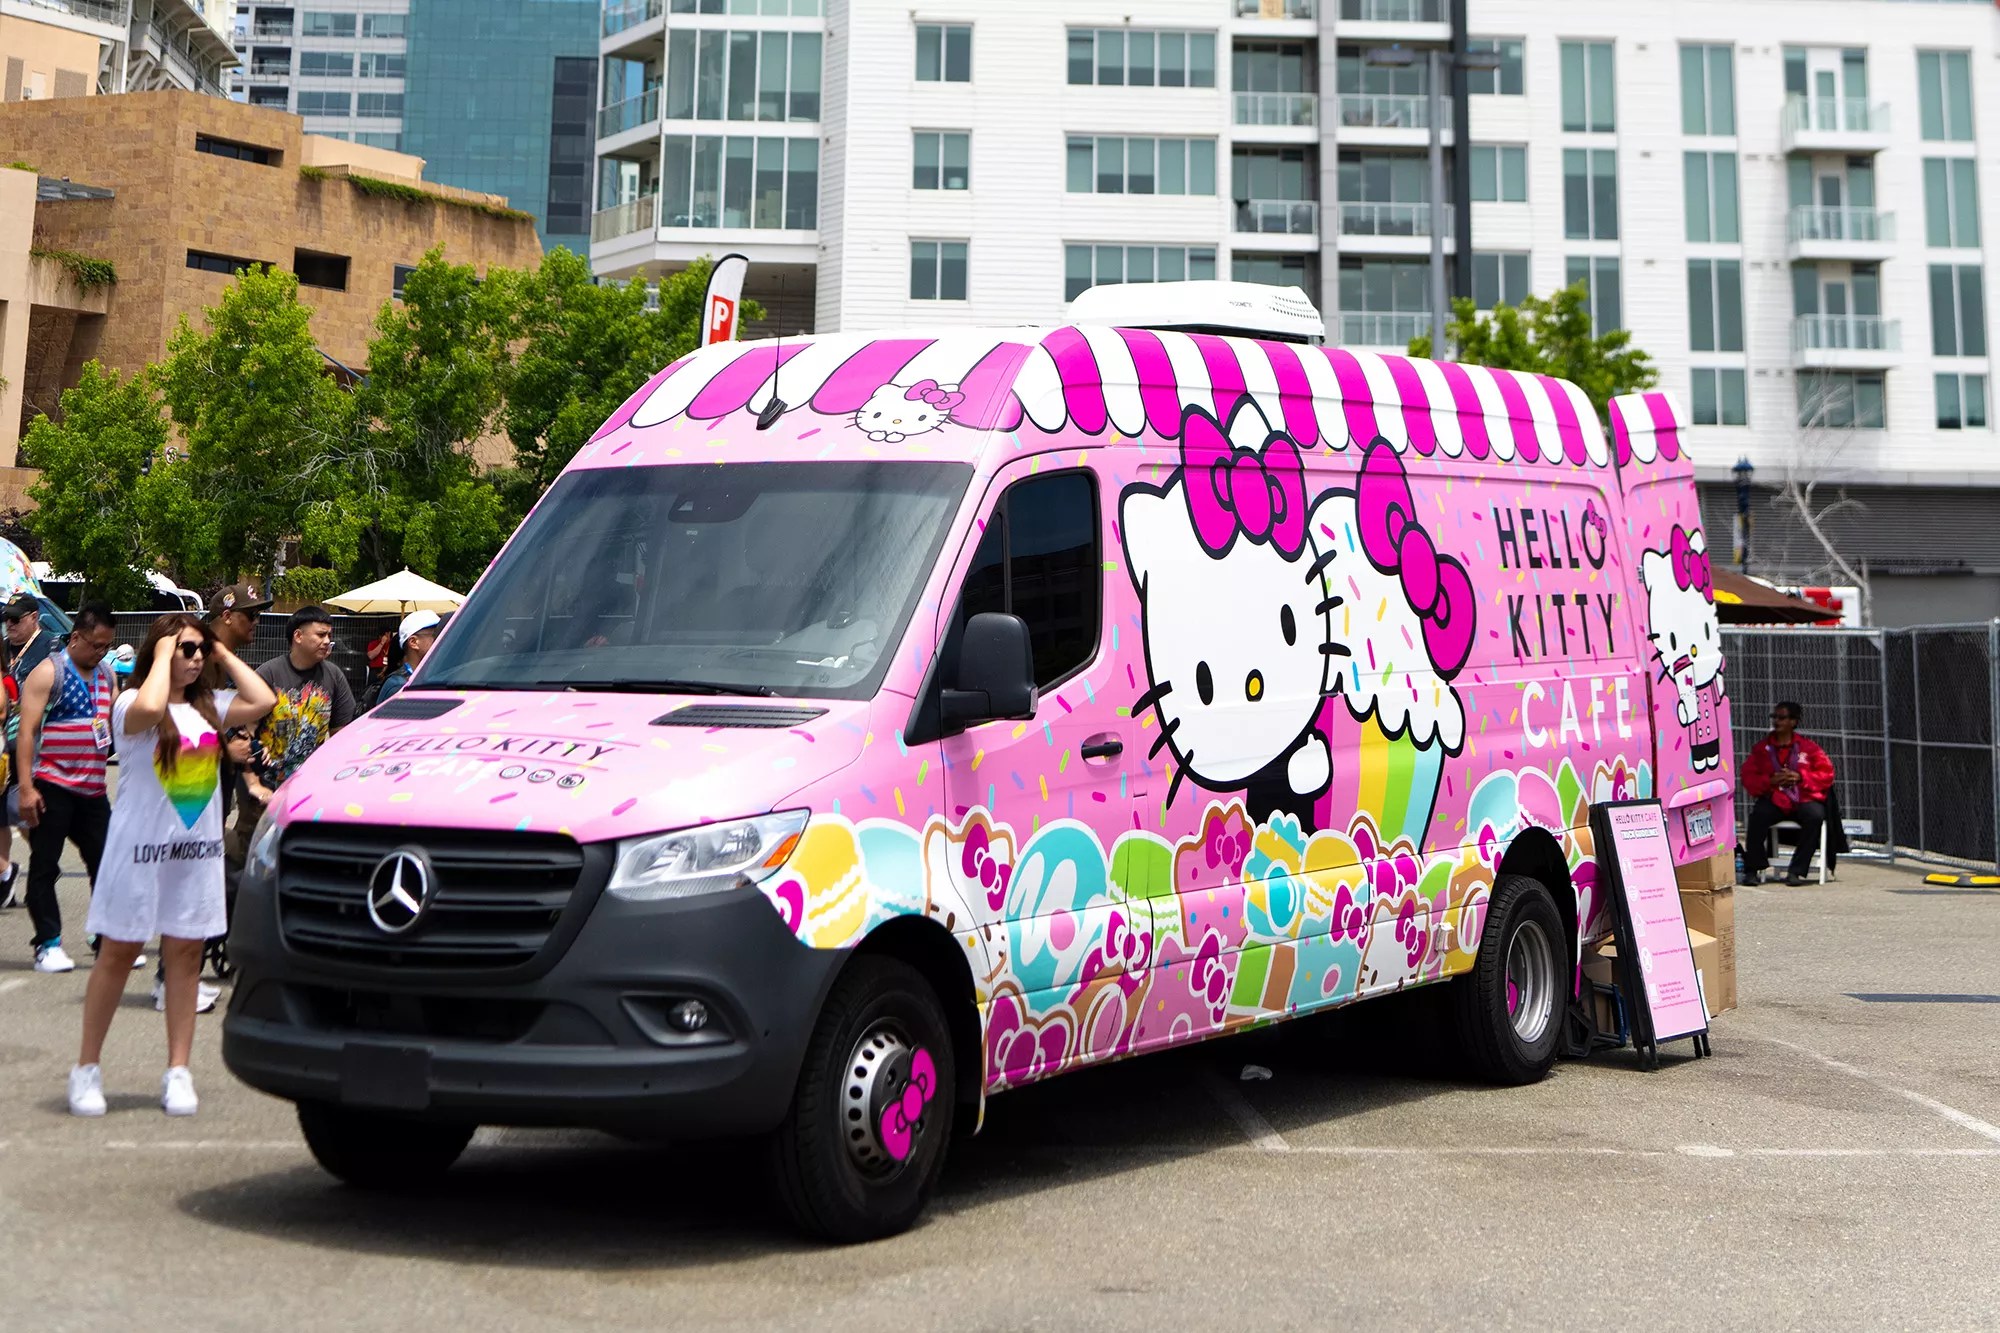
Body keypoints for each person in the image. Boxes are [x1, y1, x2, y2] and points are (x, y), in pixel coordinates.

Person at [66, 613, 274, 1117]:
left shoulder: (212, 707)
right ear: (159, 651)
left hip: (193, 857)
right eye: (187, 649)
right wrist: (164, 652)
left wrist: (220, 652)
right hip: (137, 853)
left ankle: (178, 1070)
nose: (195, 656)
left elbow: (264, 700)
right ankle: (86, 1068)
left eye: (199, 649)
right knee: (117, 954)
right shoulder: (129, 706)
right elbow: (154, 703)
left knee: (185, 957)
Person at [15, 605, 119, 973]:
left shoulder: (107, 675)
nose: (100, 652)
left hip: (92, 791)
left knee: (108, 864)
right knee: (44, 866)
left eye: (106, 646)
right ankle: (48, 942)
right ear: (75, 637)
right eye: (95, 645)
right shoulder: (48, 672)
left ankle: (105, 937)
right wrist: (26, 789)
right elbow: (27, 733)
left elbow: (110, 727)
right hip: (53, 785)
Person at [0, 593, 60, 908]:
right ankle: (5, 874)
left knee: (24, 812)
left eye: (16, 619)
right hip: (4, 741)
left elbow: (58, 691)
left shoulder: (51, 647)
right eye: (6, 619)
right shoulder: (4, 647)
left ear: (34, 617)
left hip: (35, 740)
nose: (9, 625)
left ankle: (43, 861)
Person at [254, 605, 356, 789]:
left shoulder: (334, 676)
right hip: (265, 783)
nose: (327, 641)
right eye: (320, 635)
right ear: (298, 636)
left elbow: (340, 734)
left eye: (329, 636)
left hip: (310, 785)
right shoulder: (268, 674)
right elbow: (246, 730)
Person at [1741, 699, 1837, 886]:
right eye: (1774, 717)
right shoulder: (1762, 749)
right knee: (1758, 816)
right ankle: (1753, 868)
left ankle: (1797, 871)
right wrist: (1770, 781)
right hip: (1776, 798)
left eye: (1782, 717)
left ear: (1793, 722)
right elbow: (1748, 777)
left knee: (1815, 816)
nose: (1777, 721)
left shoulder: (1809, 748)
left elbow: (1826, 774)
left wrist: (1800, 777)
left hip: (1802, 798)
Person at [373, 610, 440, 706]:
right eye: (435, 634)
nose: (443, 638)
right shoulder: (399, 687)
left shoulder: (428, 679)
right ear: (413, 642)